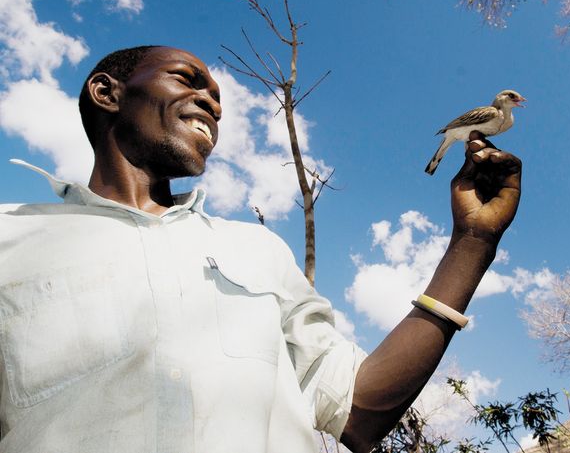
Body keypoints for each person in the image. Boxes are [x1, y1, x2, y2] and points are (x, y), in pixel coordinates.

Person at [0, 46, 521, 453]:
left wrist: (472, 245)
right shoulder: (10, 238)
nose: (213, 103)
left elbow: (359, 410)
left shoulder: (256, 249)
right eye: (187, 79)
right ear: (106, 92)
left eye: (220, 100)